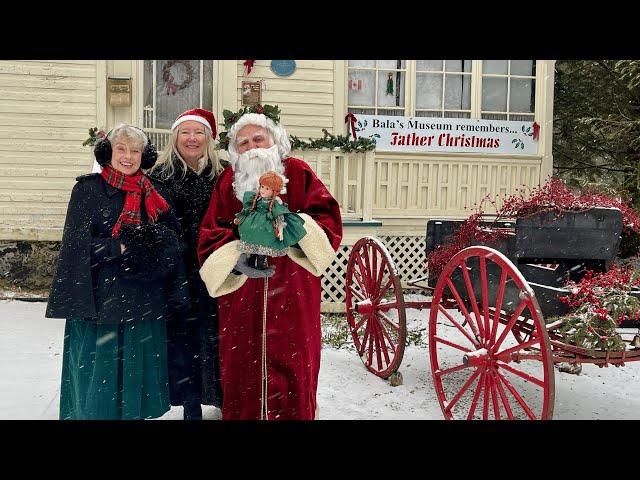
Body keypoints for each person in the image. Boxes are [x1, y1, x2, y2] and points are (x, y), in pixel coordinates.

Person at [198, 104, 343, 420]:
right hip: (241, 296)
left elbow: (328, 218)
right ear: (235, 151)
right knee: (241, 370)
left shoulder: (297, 172)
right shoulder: (227, 182)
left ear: (274, 141)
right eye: (244, 143)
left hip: (293, 290)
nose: (252, 148)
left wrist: (293, 231)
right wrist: (235, 260)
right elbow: (211, 231)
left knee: (295, 364)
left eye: (258, 139)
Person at [46, 124, 189, 420]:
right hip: (100, 300)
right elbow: (77, 246)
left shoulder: (157, 192)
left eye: (135, 150)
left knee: (137, 383)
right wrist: (121, 246)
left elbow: (173, 242)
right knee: (98, 384)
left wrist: (157, 245)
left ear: (143, 155)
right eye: (121, 149)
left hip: (145, 298)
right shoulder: (87, 190)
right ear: (107, 152)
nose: (128, 156)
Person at [147, 108, 224, 420]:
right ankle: (190, 401)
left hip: (216, 266)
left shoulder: (222, 175)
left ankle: (221, 395)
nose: (192, 139)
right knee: (183, 339)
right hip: (177, 269)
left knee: (218, 336)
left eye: (198, 133)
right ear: (174, 137)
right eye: (185, 132)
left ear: (208, 138)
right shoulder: (159, 176)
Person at [233, 171, 306, 270]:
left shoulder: (275, 204)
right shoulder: (256, 199)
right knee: (251, 237)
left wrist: (280, 230)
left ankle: (261, 261)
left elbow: (279, 216)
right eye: (262, 187)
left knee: (264, 239)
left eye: (267, 188)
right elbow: (248, 209)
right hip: (253, 223)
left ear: (274, 191)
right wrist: (240, 217)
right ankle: (251, 259)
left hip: (266, 225)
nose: (263, 190)